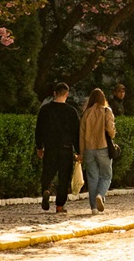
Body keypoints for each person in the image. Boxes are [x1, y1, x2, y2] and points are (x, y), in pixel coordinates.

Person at [35, 82, 80, 214]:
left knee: (48, 172)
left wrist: (39, 146)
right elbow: (76, 133)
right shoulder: (71, 112)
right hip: (66, 149)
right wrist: (79, 151)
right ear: (67, 94)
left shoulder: (45, 110)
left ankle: (46, 189)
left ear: (54, 93)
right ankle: (59, 205)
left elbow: (39, 130)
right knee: (64, 178)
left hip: (50, 147)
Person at [79, 87, 117, 214]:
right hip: (103, 147)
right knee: (106, 175)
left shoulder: (86, 113)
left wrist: (81, 152)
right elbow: (111, 131)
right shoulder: (106, 111)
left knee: (92, 178)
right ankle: (100, 195)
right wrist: (112, 134)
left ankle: (93, 208)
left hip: (89, 149)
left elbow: (81, 135)